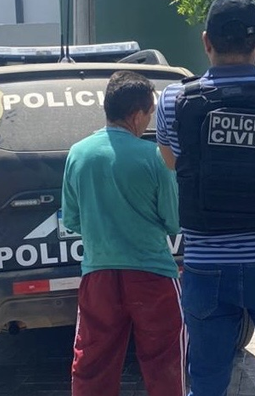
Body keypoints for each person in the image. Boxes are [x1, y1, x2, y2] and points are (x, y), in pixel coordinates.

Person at [157, 0, 255, 396]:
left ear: (206, 41)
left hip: (208, 263)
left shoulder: (174, 100)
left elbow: (173, 163)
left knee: (207, 383)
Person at [61, 71, 185, 396]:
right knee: (165, 363)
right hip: (153, 274)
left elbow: (71, 218)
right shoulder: (155, 157)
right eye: (150, 113)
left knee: (93, 363)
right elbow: (174, 221)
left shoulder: (78, 153)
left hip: (98, 274)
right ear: (137, 114)